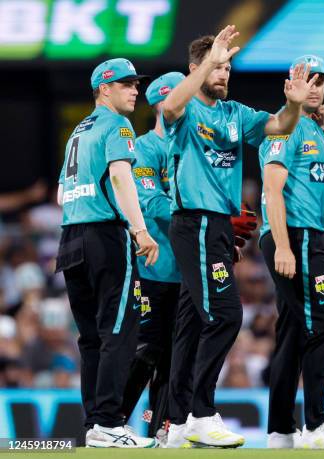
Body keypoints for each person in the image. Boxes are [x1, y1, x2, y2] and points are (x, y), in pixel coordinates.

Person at [161, 25, 317, 448]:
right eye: (217, 66)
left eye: (228, 67)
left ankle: (174, 422)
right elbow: (170, 107)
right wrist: (208, 60)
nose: (224, 73)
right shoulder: (186, 107)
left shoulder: (235, 115)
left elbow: (278, 127)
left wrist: (294, 105)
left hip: (218, 228)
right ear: (197, 68)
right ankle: (201, 412)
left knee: (192, 323)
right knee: (227, 315)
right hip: (194, 222)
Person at [55, 58, 159, 448]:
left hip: (70, 237)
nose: (135, 90)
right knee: (119, 332)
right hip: (105, 238)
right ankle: (109, 421)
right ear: (104, 88)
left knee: (91, 338)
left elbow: (64, 191)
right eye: (126, 84)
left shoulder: (78, 132)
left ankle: (96, 425)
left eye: (136, 83)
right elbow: (119, 175)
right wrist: (140, 228)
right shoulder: (117, 124)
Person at [259, 55, 324, 450]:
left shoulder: (314, 128)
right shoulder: (287, 125)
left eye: (320, 80)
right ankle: (315, 424)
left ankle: (280, 430)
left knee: (294, 331)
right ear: (291, 82)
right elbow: (271, 189)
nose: (314, 87)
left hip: (305, 236)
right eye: (306, 79)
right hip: (294, 236)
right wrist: (282, 245)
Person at [119, 72, 184, 443]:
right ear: (162, 102)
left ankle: (163, 428)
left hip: (185, 270)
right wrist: (195, 213)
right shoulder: (143, 148)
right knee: (146, 348)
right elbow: (149, 200)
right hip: (151, 267)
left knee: (174, 356)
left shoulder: (192, 147)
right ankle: (113, 421)